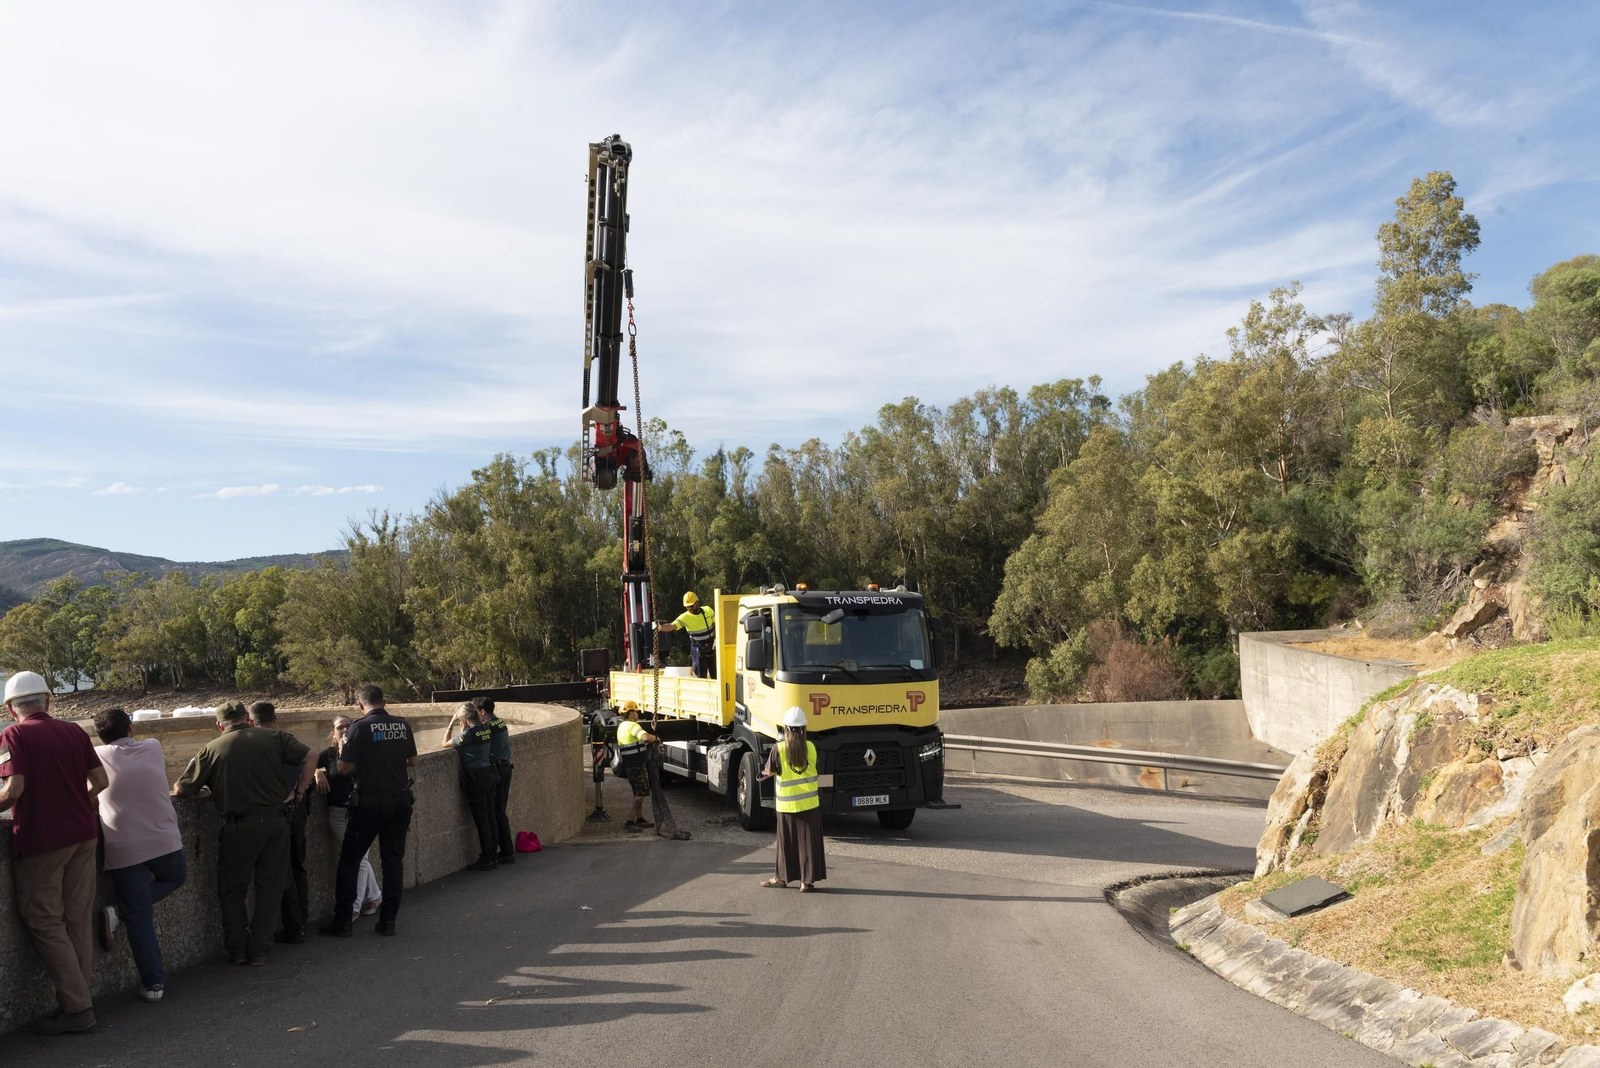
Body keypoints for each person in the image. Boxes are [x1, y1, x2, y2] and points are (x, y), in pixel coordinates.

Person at [0, 671, 108, 1034]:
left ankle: (78, 1009)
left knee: (44, 920)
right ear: (48, 700)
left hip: (43, 841)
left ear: (9, 708)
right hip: (84, 834)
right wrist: (78, 804)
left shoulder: (11, 734)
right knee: (77, 918)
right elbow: (101, 782)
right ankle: (78, 999)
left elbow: (13, 789)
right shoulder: (75, 731)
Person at [173, 700, 314, 967]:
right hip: (276, 822)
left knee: (232, 889)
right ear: (247, 719)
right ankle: (260, 950)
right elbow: (311, 756)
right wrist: (299, 791)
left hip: (239, 826)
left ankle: (238, 950)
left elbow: (182, 790)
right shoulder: (274, 736)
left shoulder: (211, 749)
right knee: (270, 888)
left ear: (219, 725)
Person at [92, 708, 186, 1003]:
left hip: (124, 845)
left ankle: (154, 984)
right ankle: (121, 911)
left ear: (100, 735)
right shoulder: (153, 746)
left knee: (138, 915)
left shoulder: (95, 755)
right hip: (163, 838)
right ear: (130, 728)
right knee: (176, 877)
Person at [320, 685, 417, 938]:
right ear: (384, 702)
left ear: (360, 706)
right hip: (400, 800)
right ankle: (388, 923)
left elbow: (342, 768)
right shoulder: (402, 725)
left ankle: (342, 923)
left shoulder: (359, 728)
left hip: (370, 803)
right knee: (393, 862)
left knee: (350, 862)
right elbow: (413, 761)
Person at [248, 700, 310, 944]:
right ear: (274, 719)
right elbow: (311, 757)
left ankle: (294, 927)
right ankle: (301, 923)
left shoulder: (253, 744)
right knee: (297, 866)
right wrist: (301, 790)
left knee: (282, 872)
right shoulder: (288, 740)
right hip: (297, 808)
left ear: (251, 722)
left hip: (274, 813)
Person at [313, 715, 381, 919]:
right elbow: (306, 761)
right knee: (359, 857)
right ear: (333, 733)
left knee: (358, 858)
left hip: (363, 812)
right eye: (340, 727)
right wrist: (317, 772)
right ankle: (375, 895)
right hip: (337, 813)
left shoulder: (366, 751)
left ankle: (353, 907)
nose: (344, 729)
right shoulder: (329, 754)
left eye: (348, 726)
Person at [759, 706, 826, 892]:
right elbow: (815, 770)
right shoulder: (812, 748)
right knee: (807, 844)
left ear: (786, 728)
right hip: (810, 804)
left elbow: (769, 772)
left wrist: (763, 773)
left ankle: (782, 878)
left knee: (785, 843)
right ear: (804, 729)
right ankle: (806, 882)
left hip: (787, 805)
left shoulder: (778, 749)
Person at [442, 700, 498, 871]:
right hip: (489, 773)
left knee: (481, 820)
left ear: (464, 717)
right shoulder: (485, 729)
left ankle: (486, 858)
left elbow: (445, 743)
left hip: (476, 777)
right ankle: (493, 855)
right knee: (490, 817)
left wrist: (451, 723)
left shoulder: (469, 734)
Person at [479, 697, 516, 865]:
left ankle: (506, 852)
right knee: (500, 811)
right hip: (506, 767)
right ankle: (506, 850)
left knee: (497, 812)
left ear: (483, 712)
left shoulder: (488, 727)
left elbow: (476, 740)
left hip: (498, 770)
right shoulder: (500, 723)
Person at [615, 701, 656, 832]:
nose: (637, 714)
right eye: (636, 712)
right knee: (641, 794)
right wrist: (655, 738)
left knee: (637, 792)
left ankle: (640, 819)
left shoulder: (621, 726)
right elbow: (645, 738)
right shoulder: (633, 726)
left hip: (629, 765)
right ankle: (629, 822)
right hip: (637, 765)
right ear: (631, 713)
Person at [655, 591, 717, 678]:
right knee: (701, 675)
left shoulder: (708, 610)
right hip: (699, 650)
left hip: (712, 646)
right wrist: (660, 627)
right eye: (687, 607)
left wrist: (716, 639)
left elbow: (716, 624)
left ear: (697, 602)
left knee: (717, 674)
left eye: (691, 606)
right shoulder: (685, 617)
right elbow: (672, 626)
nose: (690, 608)